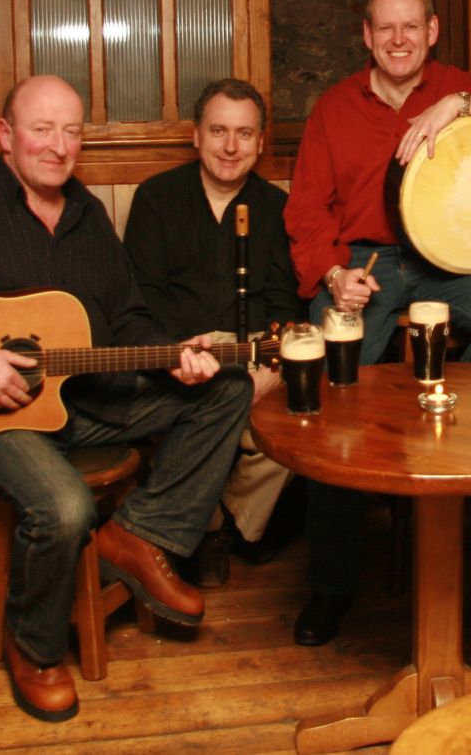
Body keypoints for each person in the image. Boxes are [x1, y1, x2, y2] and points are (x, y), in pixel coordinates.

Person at [0, 75, 252, 724]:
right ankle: (34, 648)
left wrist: (174, 354)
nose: (58, 146)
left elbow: (129, 319)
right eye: (42, 129)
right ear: (6, 135)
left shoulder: (88, 217)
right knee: (63, 505)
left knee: (228, 386)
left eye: (71, 131)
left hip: (80, 402)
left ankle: (137, 534)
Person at [283, 0, 471, 654]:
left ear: (432, 31)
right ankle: (331, 584)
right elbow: (305, 209)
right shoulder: (333, 108)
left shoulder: (457, 88)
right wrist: (334, 274)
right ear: (367, 36)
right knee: (331, 400)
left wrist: (460, 106)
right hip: (367, 264)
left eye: (411, 25)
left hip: (446, 256)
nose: (399, 39)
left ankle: (438, 421)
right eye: (385, 27)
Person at [124, 78, 300, 584]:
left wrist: (271, 368)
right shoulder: (156, 198)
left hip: (257, 349)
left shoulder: (277, 207)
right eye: (219, 131)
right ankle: (217, 528)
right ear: (196, 135)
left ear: (260, 143)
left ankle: (223, 523)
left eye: (244, 134)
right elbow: (144, 296)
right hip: (184, 351)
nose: (230, 146)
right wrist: (181, 358)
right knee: (205, 424)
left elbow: (285, 301)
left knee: (295, 425)